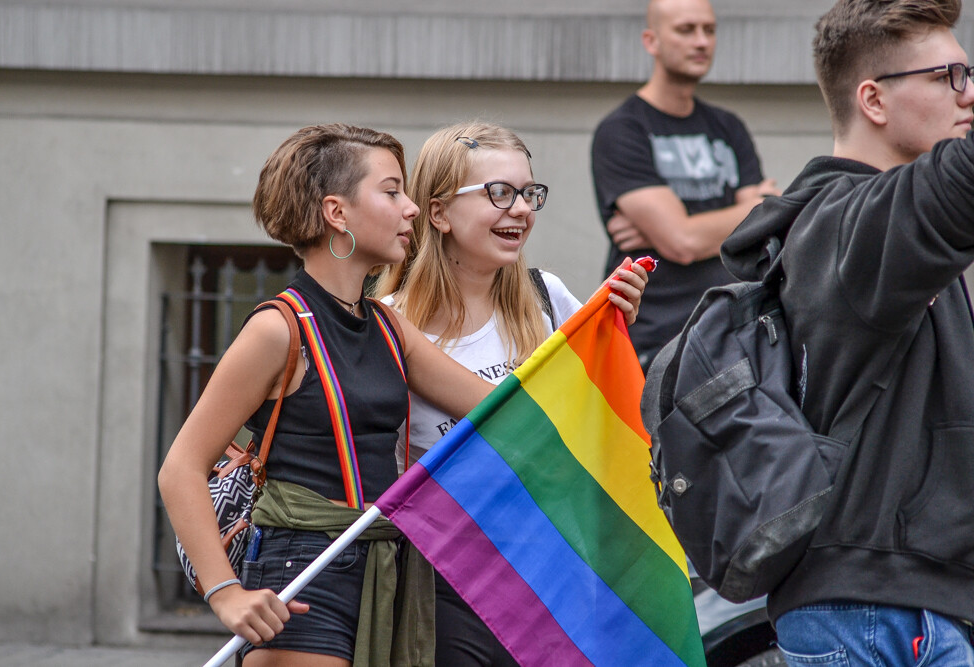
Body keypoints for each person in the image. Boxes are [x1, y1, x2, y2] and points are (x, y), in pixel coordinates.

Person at [158, 123, 499, 667]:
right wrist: (225, 593)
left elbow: (498, 408)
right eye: (391, 192)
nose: (411, 208)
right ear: (337, 213)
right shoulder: (278, 328)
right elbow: (181, 468)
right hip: (302, 578)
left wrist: (607, 318)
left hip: (382, 572)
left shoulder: (388, 326)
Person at [718, 0, 974, 664]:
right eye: (950, 76)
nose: (968, 95)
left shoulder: (871, 235)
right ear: (874, 100)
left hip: (894, 605)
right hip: (872, 619)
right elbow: (960, 185)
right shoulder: (850, 226)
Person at [376, 121, 649, 666]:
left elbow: (598, 430)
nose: (521, 209)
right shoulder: (391, 324)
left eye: (529, 193)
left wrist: (615, 339)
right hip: (448, 581)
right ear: (438, 213)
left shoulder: (550, 299)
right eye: (499, 193)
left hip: (554, 571)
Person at [590, 0, 779, 370]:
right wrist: (756, 205)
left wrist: (677, 225)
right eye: (685, 29)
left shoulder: (728, 127)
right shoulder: (623, 129)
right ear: (651, 40)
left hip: (729, 333)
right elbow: (682, 242)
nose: (701, 41)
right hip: (649, 341)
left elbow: (759, 232)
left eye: (709, 30)